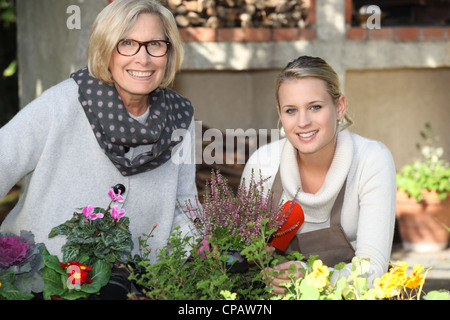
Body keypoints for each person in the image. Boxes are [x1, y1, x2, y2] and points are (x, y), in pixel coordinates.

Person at [0, 0, 197, 264]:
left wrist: (184, 269)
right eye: (127, 43)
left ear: (169, 52)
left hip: (137, 286)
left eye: (155, 44)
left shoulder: (179, 117)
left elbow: (184, 206)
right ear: (105, 50)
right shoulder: (62, 103)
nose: (144, 58)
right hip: (43, 280)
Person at [241, 56, 397, 294]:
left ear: (339, 107)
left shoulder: (371, 159)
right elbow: (242, 259)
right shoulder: (262, 164)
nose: (303, 122)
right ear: (280, 114)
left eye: (315, 107)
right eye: (291, 110)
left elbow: (373, 268)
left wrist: (310, 279)